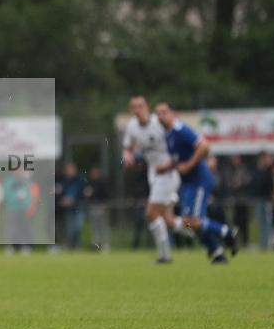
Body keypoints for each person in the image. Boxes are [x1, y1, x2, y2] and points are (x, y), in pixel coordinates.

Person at [154, 103, 239, 263]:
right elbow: (177, 159)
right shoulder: (168, 135)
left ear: (172, 113)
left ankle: (226, 232)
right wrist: (164, 168)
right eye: (157, 114)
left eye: (164, 112)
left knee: (193, 222)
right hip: (187, 183)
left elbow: (205, 146)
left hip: (199, 180)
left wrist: (190, 165)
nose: (160, 117)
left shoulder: (181, 130)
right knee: (190, 224)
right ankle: (217, 252)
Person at [121, 95, 181, 263]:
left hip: (166, 174)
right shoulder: (132, 126)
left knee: (151, 213)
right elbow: (127, 147)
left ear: (147, 107)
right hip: (153, 175)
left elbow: (177, 143)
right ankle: (208, 229)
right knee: (168, 220)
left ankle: (165, 256)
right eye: (134, 107)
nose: (137, 109)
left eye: (140, 106)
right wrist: (127, 155)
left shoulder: (159, 123)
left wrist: (171, 164)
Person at [1, 168, 37, 254]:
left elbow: (32, 193)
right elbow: (6, 193)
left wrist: (31, 206)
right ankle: (13, 246)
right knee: (14, 228)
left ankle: (26, 246)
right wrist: (16, 197)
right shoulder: (9, 181)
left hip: (25, 208)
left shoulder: (27, 181)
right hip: (13, 208)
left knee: (25, 227)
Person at [222, 155, 251, 247]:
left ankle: (244, 242)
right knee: (232, 222)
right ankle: (231, 241)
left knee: (243, 223)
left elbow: (247, 181)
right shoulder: (228, 170)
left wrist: (239, 184)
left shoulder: (243, 169)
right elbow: (227, 183)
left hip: (242, 202)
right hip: (233, 201)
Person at [250, 152, 274, 250]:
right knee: (261, 224)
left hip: (267, 200)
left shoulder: (270, 170)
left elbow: (271, 184)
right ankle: (263, 244)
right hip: (259, 200)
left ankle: (268, 244)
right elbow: (254, 185)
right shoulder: (257, 171)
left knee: (268, 223)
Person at [59, 162, 87, 249]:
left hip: (79, 206)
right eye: (68, 170)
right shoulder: (63, 181)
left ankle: (77, 244)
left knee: (78, 226)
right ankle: (70, 245)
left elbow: (83, 193)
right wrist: (63, 199)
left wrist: (73, 200)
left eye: (71, 170)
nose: (70, 171)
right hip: (68, 208)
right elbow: (60, 193)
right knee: (70, 228)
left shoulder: (80, 180)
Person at [84, 167, 111, 252]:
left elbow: (106, 195)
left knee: (103, 227)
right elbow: (87, 195)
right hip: (92, 206)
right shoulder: (89, 183)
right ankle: (96, 245)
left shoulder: (102, 183)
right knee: (94, 227)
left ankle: (106, 244)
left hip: (101, 206)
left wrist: (105, 205)